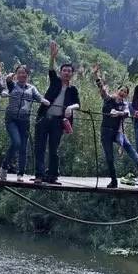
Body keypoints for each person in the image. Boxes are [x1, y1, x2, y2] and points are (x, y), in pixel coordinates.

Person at [33, 41, 80, 184]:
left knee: (54, 149)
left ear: (72, 74)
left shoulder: (73, 90)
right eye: (64, 70)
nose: (66, 73)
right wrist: (52, 57)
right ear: (61, 73)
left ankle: (52, 175)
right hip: (44, 118)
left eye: (69, 71)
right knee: (40, 147)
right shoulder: (55, 82)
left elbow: (78, 104)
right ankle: (39, 175)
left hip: (58, 122)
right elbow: (50, 70)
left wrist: (70, 108)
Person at [92, 64, 138, 189]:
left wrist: (118, 113)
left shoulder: (125, 104)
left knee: (127, 144)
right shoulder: (108, 99)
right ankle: (113, 180)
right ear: (117, 91)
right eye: (121, 90)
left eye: (125, 92)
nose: (123, 93)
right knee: (109, 156)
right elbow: (103, 90)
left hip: (117, 131)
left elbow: (127, 113)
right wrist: (96, 75)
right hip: (106, 131)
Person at [0, 64, 48, 181]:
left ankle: (20, 173)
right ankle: (4, 166)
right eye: (19, 73)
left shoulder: (31, 88)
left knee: (23, 147)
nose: (22, 75)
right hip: (11, 119)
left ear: (27, 75)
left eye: (24, 73)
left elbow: (38, 97)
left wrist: (44, 101)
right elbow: (7, 83)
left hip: (24, 120)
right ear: (17, 75)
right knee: (16, 142)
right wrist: (8, 78)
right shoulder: (13, 85)